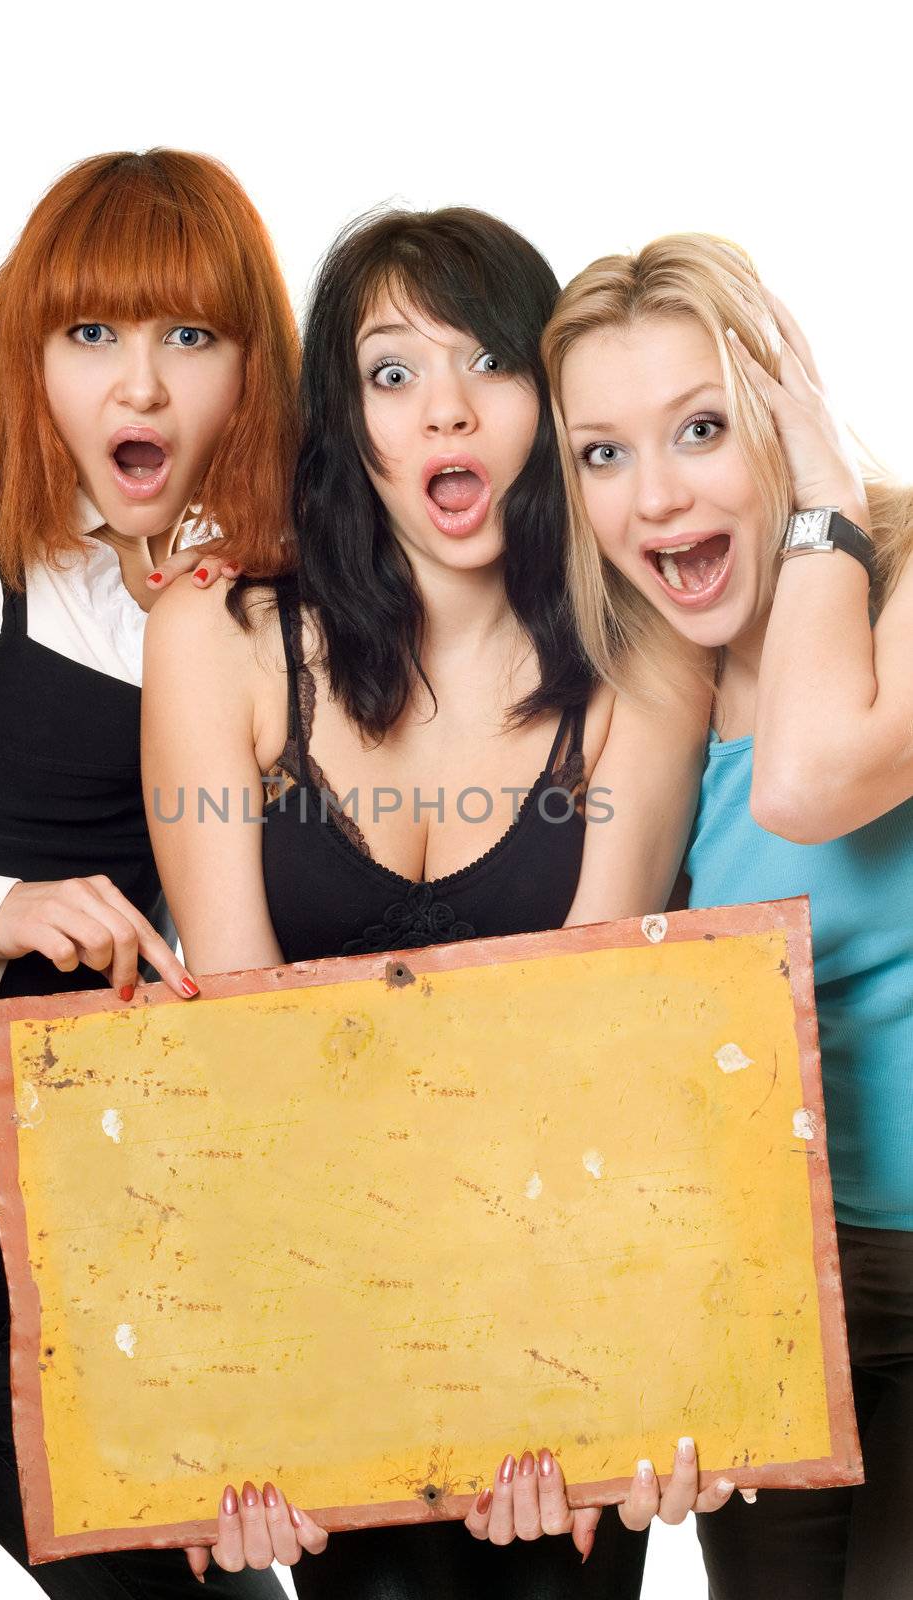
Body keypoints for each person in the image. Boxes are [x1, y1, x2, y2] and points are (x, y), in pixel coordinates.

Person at [143, 205, 735, 1599]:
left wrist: (559, 1386)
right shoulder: (217, 638)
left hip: (562, 1312)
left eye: (487, 363)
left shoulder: (641, 664)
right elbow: (239, 1037)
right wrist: (249, 1418)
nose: (446, 410)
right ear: (346, 422)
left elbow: (592, 1051)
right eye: (394, 373)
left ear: (548, 396)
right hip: (317, 1305)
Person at [0, 147, 303, 1600]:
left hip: (90, 1278)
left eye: (190, 337)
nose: (141, 387)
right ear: (30, 347)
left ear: (251, 370)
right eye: (91, 333)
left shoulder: (244, 592)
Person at [545, 232, 913, 1600]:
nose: (656, 496)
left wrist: (824, 497)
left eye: (702, 429)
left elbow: (815, 775)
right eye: (603, 453)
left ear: (782, 417)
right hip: (773, 1298)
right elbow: (592, 996)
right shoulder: (653, 687)